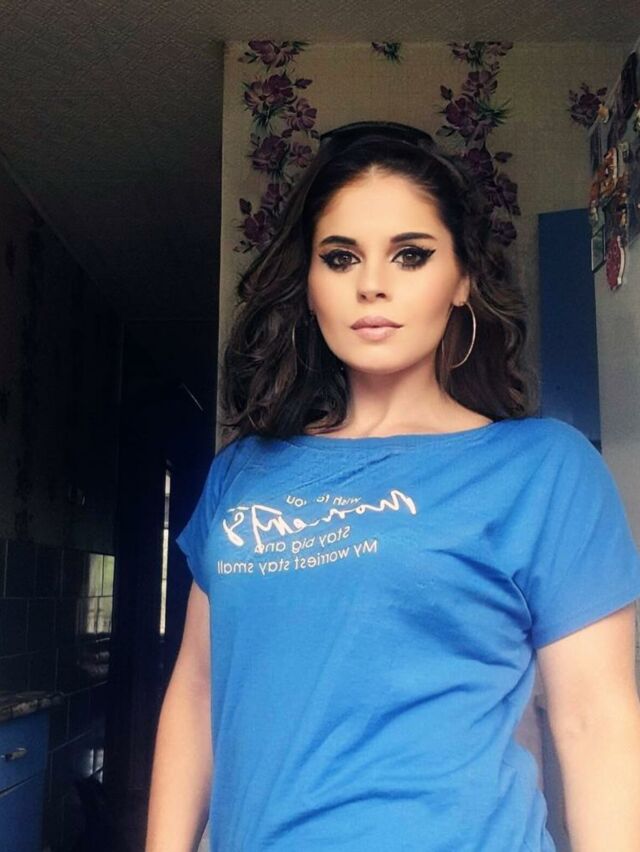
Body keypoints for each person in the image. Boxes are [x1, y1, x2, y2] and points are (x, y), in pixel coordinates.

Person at [145, 122, 640, 851]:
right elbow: (196, 691)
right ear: (309, 284)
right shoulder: (242, 473)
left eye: (411, 254)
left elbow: (596, 723)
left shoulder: (543, 470)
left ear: (462, 279)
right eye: (340, 257)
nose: (371, 283)